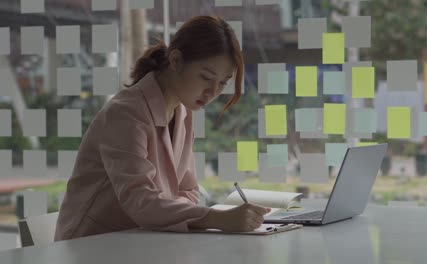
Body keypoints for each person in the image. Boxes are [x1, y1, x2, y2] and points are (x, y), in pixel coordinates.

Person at [54, 15, 271, 241]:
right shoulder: (126, 113)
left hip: (143, 240)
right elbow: (139, 200)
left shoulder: (183, 112)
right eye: (206, 77)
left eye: (222, 83)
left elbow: (188, 191)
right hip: (92, 246)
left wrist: (178, 213)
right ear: (176, 61)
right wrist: (214, 218)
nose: (212, 92)